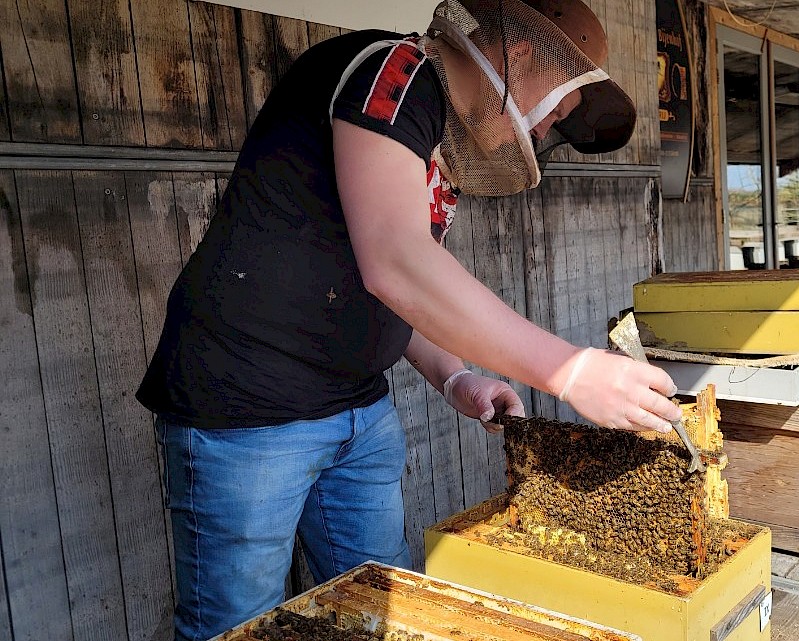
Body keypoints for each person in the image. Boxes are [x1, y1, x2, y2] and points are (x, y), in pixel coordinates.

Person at [135, 1, 682, 639]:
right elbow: (395, 262)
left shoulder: (430, 136)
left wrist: (455, 379)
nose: (541, 131)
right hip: (247, 409)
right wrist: (570, 371)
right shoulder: (392, 74)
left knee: (384, 605)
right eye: (553, 111)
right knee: (237, 626)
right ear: (524, 53)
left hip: (358, 409)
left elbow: (407, 293)